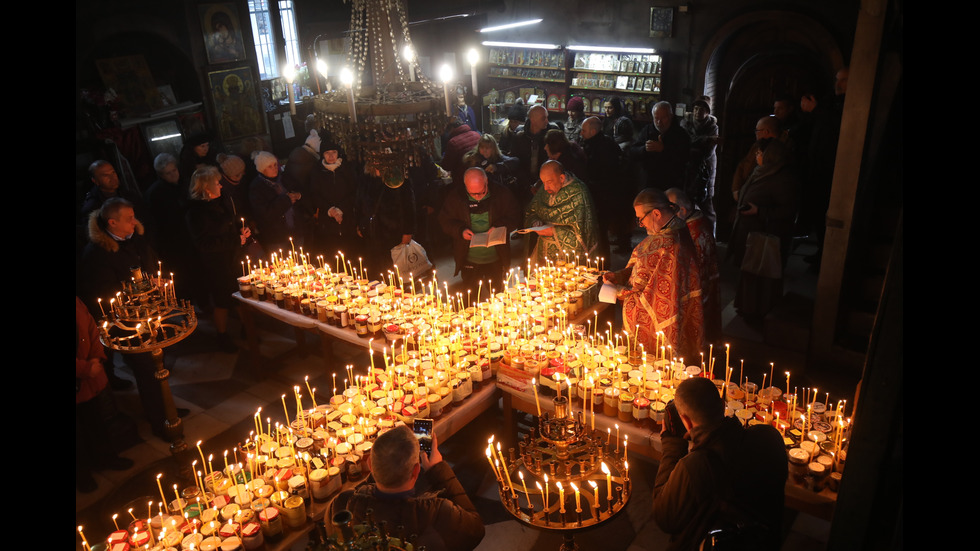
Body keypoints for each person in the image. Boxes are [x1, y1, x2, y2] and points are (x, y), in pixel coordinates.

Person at [653, 377, 787, 551]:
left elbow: (665, 518)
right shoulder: (770, 437)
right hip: (764, 542)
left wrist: (672, 447)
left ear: (685, 421)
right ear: (723, 405)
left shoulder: (694, 466)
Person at [328, 426, 485, 551]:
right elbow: (476, 530)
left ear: (370, 464)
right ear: (416, 470)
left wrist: (381, 469)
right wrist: (438, 470)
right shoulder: (439, 512)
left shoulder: (342, 506)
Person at [602, 188, 703, 361]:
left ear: (656, 213)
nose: (642, 225)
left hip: (660, 323)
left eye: (641, 219)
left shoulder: (671, 244)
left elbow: (656, 297)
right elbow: (644, 267)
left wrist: (618, 290)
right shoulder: (673, 229)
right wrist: (618, 276)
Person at [728, 139, 799, 321]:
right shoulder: (761, 171)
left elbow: (788, 210)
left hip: (765, 235)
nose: (757, 156)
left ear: (770, 156)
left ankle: (759, 311)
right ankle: (747, 307)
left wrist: (760, 211)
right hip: (750, 232)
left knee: (762, 275)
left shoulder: (782, 178)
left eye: (760, 153)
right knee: (749, 272)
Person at [186, 166, 251, 352]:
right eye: (216, 183)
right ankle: (222, 336)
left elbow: (232, 223)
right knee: (222, 300)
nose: (221, 186)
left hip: (234, 258)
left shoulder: (222, 202)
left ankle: (248, 328)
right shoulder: (196, 213)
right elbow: (204, 244)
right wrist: (235, 240)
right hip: (217, 265)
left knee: (242, 296)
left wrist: (242, 231)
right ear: (206, 188)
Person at [76, 296, 133, 492]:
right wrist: (84, 368)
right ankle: (82, 475)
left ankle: (105, 458)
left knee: (95, 420)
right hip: (82, 373)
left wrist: (96, 357)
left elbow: (90, 326)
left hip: (90, 376)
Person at [439, 167, 520, 289]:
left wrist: (499, 226)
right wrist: (460, 231)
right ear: (465, 185)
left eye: (481, 192)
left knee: (497, 295)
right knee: (470, 297)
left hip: (496, 258)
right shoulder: (456, 197)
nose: (478, 197)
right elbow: (445, 221)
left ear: (486, 181)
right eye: (473, 193)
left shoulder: (501, 194)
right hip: (468, 258)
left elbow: (515, 216)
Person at [666, 188, 722, 343]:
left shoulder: (694, 233)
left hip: (698, 291)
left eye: (670, 209)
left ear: (682, 210)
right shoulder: (695, 222)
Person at [524, 160, 599, 265]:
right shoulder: (544, 189)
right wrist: (535, 221)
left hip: (568, 258)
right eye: (543, 182)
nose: (545, 188)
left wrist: (554, 232)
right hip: (543, 251)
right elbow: (532, 211)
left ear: (562, 178)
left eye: (549, 182)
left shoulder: (579, 192)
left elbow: (585, 234)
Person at [356, 163, 417, 278]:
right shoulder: (365, 176)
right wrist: (360, 224)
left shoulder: (398, 177)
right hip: (371, 230)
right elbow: (359, 201)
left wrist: (408, 232)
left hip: (393, 232)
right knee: (374, 269)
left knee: (392, 271)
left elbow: (408, 205)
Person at [307, 139, 359, 257]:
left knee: (350, 254)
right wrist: (331, 210)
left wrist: (341, 210)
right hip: (327, 222)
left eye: (334, 152)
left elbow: (354, 192)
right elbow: (315, 194)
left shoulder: (347, 169)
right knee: (331, 255)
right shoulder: (317, 172)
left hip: (347, 220)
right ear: (322, 155)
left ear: (338, 153)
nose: (331, 156)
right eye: (327, 153)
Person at [249, 150, 301, 253]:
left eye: (275, 165)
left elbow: (301, 190)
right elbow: (264, 213)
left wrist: (299, 195)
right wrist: (286, 200)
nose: (274, 168)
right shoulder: (256, 187)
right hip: (276, 238)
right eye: (270, 167)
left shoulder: (285, 178)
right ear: (262, 169)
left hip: (296, 232)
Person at [631, 101, 690, 191]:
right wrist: (644, 149)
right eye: (656, 118)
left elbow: (684, 158)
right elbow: (632, 151)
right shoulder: (647, 130)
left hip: (672, 184)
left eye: (663, 118)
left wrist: (664, 149)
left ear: (670, 116)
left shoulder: (681, 134)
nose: (659, 122)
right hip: (649, 183)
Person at [680, 97, 719, 231]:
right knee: (685, 203)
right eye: (696, 108)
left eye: (702, 109)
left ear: (707, 112)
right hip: (687, 169)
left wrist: (696, 145)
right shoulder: (685, 123)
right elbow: (684, 143)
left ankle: (709, 236)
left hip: (705, 169)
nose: (698, 112)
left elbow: (707, 152)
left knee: (706, 203)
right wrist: (706, 139)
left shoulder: (712, 126)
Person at [510, 104, 560, 201]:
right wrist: (527, 184)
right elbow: (515, 161)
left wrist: (541, 182)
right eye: (543, 118)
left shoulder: (553, 132)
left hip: (547, 184)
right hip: (524, 185)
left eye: (547, 117)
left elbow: (557, 160)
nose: (547, 121)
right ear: (533, 120)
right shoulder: (519, 135)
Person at [731, 116, 782, 199]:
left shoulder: (778, 152)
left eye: (757, 131)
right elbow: (743, 164)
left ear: (766, 132)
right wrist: (736, 189)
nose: (756, 133)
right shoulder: (756, 146)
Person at [441, 117, 482, 187]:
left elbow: (446, 166)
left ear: (452, 128)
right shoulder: (477, 135)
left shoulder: (453, 142)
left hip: (463, 179)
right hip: (480, 175)